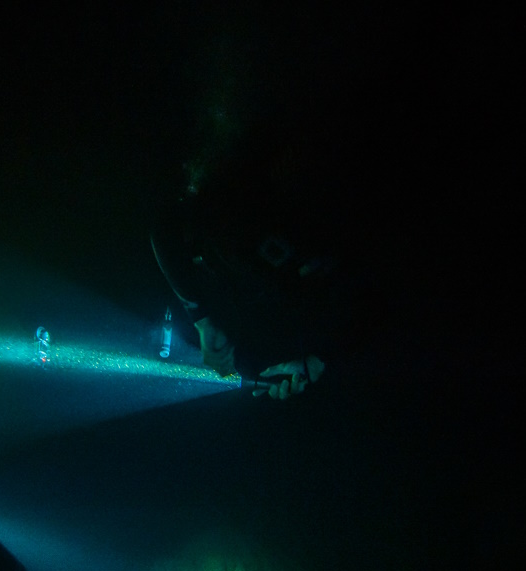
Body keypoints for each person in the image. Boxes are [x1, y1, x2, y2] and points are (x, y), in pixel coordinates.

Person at [151, 136, 376, 400]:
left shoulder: (326, 233)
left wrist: (323, 360)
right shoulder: (222, 198)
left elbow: (368, 301)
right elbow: (164, 230)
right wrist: (202, 320)